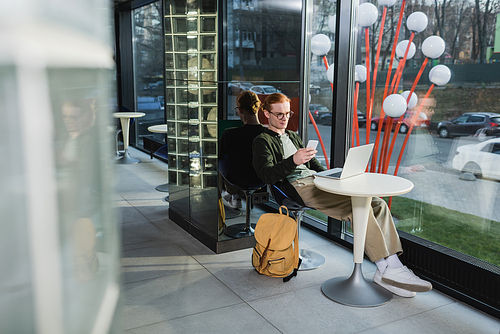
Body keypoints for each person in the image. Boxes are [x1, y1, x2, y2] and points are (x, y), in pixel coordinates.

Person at [252, 92, 432, 298]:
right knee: (357, 209)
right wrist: (293, 160)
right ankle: (388, 269)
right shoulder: (262, 141)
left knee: (377, 204)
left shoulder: (292, 135)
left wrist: (332, 174)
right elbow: (266, 175)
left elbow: (312, 166)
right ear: (266, 114)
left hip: (316, 180)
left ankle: (390, 267)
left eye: (288, 113)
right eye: (279, 115)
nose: (285, 118)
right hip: (298, 187)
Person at [219, 90, 266, 208]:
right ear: (258, 107)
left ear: (240, 110)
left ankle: (230, 195)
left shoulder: (229, 134)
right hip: (262, 180)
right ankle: (234, 195)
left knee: (219, 162)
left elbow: (219, 158)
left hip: (236, 179)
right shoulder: (268, 134)